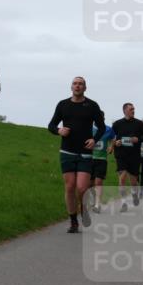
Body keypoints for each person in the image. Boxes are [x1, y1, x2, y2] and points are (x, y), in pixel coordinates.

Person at [48, 77, 105, 233]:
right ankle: (73, 221)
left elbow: (101, 128)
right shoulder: (63, 105)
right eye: (75, 83)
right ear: (71, 87)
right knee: (70, 186)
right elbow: (51, 125)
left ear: (85, 88)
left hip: (85, 152)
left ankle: (84, 209)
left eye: (80, 84)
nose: (77, 86)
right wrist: (59, 130)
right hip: (67, 151)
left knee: (81, 188)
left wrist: (95, 140)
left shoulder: (92, 106)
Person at [111, 103, 143, 210]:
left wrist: (138, 139)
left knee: (133, 181)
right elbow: (111, 137)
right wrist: (115, 142)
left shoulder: (139, 124)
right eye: (131, 109)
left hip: (134, 155)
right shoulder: (117, 124)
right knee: (122, 178)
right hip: (121, 155)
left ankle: (134, 193)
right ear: (124, 111)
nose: (133, 111)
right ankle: (123, 203)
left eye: (134, 109)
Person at [89, 114, 115, 212]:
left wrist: (111, 147)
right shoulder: (89, 128)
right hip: (89, 159)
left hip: (102, 159)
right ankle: (92, 200)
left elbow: (113, 138)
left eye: (102, 118)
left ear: (103, 118)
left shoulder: (108, 129)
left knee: (98, 182)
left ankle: (97, 205)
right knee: (90, 183)